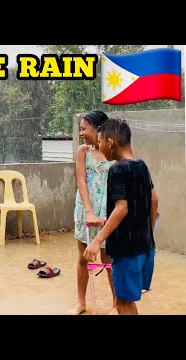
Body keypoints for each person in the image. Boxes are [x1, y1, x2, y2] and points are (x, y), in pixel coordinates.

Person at [83, 118, 159, 315]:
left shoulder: (117, 169)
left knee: (123, 303)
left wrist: (97, 240)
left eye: (100, 142)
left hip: (126, 250)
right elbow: (154, 201)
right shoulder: (141, 166)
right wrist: (148, 235)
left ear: (110, 142)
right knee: (126, 301)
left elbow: (121, 209)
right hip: (144, 248)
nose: (98, 146)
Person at [68, 110, 116, 315]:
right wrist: (88, 211)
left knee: (109, 259)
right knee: (83, 258)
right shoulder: (83, 151)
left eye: (84, 128)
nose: (81, 133)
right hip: (86, 209)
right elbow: (81, 181)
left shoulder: (113, 150)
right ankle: (81, 303)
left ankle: (117, 304)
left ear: (98, 128)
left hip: (108, 211)